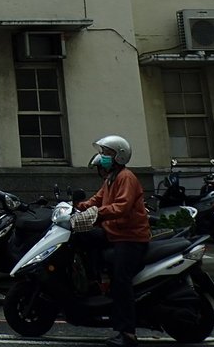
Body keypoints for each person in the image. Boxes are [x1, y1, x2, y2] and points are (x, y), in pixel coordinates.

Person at [76, 135, 151, 347]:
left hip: (130, 238)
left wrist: (96, 214)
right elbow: (96, 200)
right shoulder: (110, 178)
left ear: (119, 156)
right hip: (114, 234)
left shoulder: (126, 177)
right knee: (84, 238)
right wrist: (77, 207)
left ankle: (128, 333)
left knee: (121, 281)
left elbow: (121, 207)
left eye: (107, 154)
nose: (103, 157)